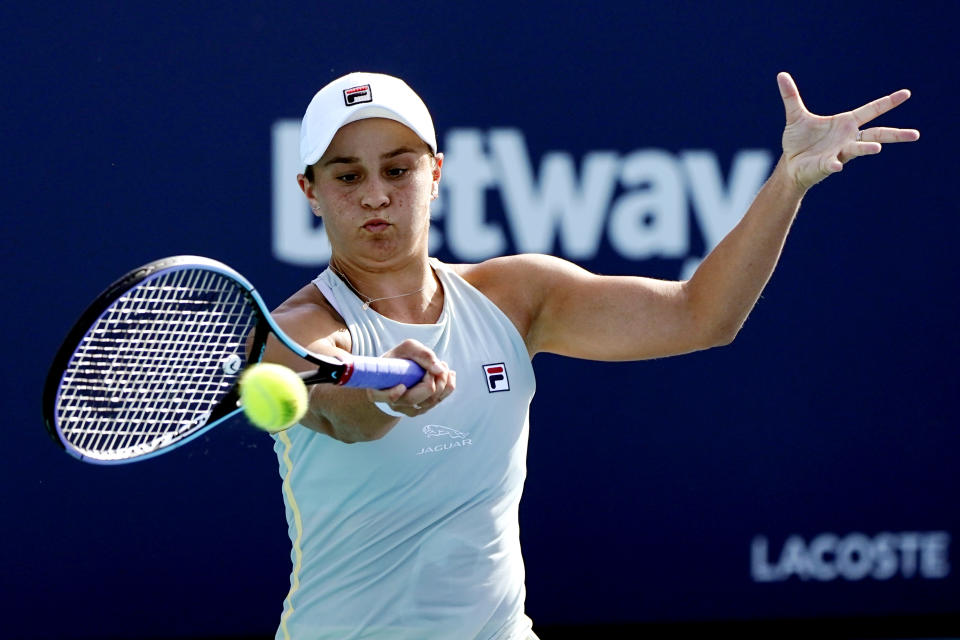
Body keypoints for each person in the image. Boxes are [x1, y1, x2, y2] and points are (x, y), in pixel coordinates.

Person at [263, 71, 919, 640]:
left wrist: (789, 182)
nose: (376, 195)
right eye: (348, 176)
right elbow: (343, 413)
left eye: (398, 169)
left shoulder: (517, 296)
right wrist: (382, 392)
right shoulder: (295, 330)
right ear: (310, 191)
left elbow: (701, 315)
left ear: (434, 174)